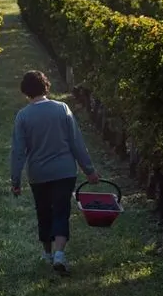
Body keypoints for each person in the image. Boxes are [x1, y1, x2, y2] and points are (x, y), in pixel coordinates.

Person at [10, 70, 99, 274]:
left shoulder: (23, 116)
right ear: (46, 87)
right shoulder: (62, 109)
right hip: (65, 171)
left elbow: (18, 152)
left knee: (43, 211)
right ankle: (60, 253)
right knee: (61, 210)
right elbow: (77, 143)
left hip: (39, 173)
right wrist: (89, 171)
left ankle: (47, 253)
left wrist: (15, 180)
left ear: (25, 91)